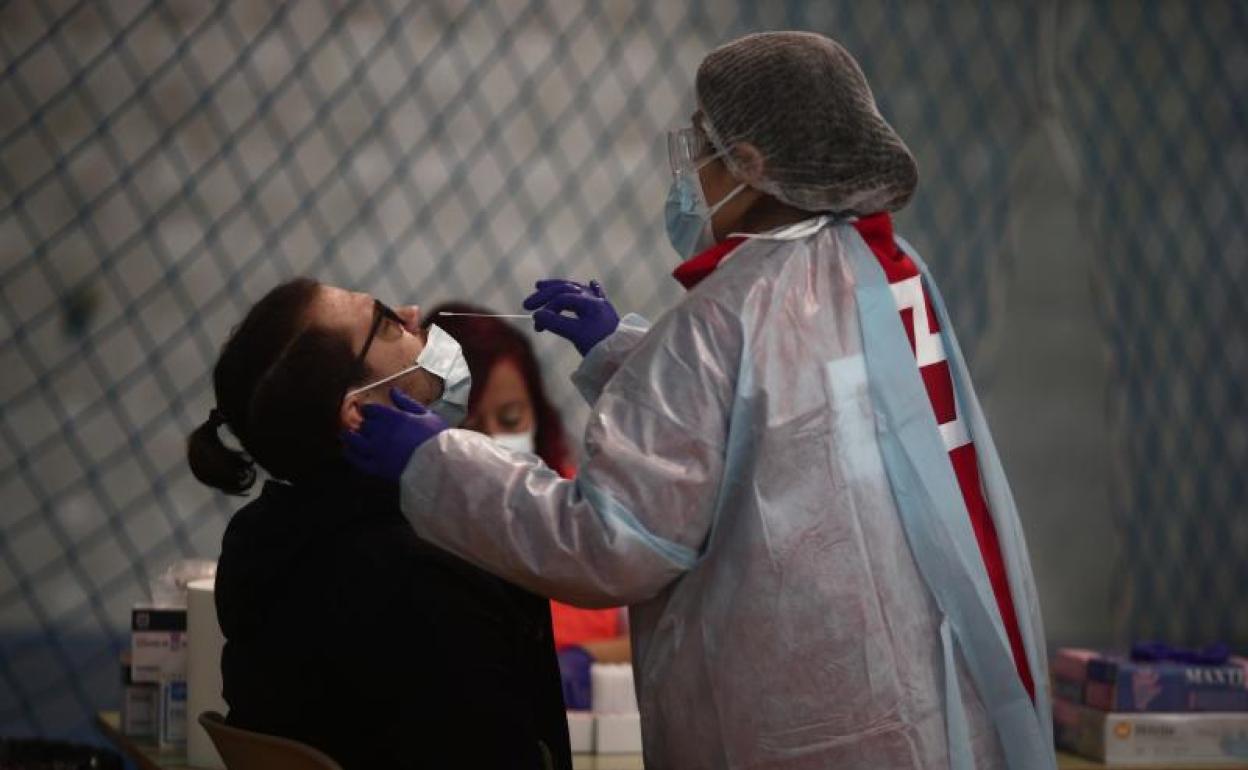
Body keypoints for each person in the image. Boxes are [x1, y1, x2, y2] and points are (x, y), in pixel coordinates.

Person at [344, 32, 1055, 770]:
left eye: (701, 149)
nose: (689, 172)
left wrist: (434, 463)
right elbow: (780, 422)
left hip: (798, 729)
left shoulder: (723, 317)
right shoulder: (881, 268)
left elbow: (612, 544)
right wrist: (626, 353)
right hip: (922, 701)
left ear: (749, 164)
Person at [185, 278, 571, 770]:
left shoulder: (257, 541)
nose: (413, 314)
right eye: (387, 322)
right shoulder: (425, 574)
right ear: (356, 410)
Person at [427, 302, 632, 710]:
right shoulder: (419, 523)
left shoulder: (585, 502)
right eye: (468, 426)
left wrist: (588, 660)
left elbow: (657, 633)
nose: (492, 440)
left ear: (537, 411)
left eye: (510, 417)